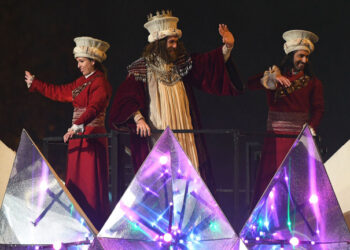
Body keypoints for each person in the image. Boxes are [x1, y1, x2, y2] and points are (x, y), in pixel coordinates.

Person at [109, 10, 243, 191]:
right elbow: (125, 98)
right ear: (159, 44)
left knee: (187, 172)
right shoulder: (141, 68)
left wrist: (227, 47)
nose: (175, 45)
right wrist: (138, 118)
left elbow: (207, 65)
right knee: (161, 177)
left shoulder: (181, 64)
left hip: (183, 129)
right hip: (158, 130)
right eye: (171, 42)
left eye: (176, 41)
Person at [24, 36, 112, 230]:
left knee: (90, 184)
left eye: (81, 62)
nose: (79, 66)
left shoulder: (100, 83)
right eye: (78, 62)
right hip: (77, 138)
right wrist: (36, 83)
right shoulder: (80, 83)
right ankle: (76, 225)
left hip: (91, 138)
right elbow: (59, 91)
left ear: (93, 61)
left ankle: (94, 225)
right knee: (75, 183)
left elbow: (95, 107)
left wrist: (77, 125)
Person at [247, 30, 325, 208]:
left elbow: (319, 109)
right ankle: (268, 224)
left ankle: (297, 225)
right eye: (301, 56)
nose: (304, 60)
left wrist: (311, 129)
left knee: (298, 184)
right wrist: (273, 77)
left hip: (298, 140)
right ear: (291, 55)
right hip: (274, 139)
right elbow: (248, 85)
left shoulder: (313, 83)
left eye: (306, 57)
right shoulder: (274, 78)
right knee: (271, 181)